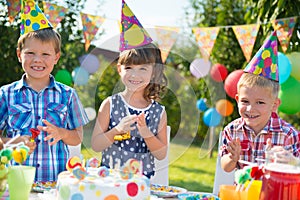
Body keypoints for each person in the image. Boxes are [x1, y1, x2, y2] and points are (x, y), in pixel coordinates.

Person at [0, 27, 89, 185]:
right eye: (30, 53)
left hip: (56, 183)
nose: (37, 60)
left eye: (45, 54)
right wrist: (14, 142)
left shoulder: (68, 95)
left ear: (56, 57)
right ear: (19, 55)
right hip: (16, 182)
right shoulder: (5, 94)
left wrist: (61, 133)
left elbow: (78, 137)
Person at [220, 31, 300, 173]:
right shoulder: (232, 130)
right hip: (244, 193)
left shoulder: (288, 134)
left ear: (274, 105)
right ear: (237, 99)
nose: (250, 109)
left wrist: (289, 161)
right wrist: (232, 158)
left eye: (260, 103)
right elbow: (225, 167)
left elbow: (296, 169)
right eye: (245, 101)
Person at [91, 43, 168, 178]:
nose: (134, 74)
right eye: (129, 67)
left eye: (143, 68)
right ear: (120, 69)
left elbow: (161, 154)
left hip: (141, 183)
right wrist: (117, 129)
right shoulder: (110, 104)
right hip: (110, 180)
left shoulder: (158, 112)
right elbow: (96, 145)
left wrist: (146, 133)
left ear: (154, 72)